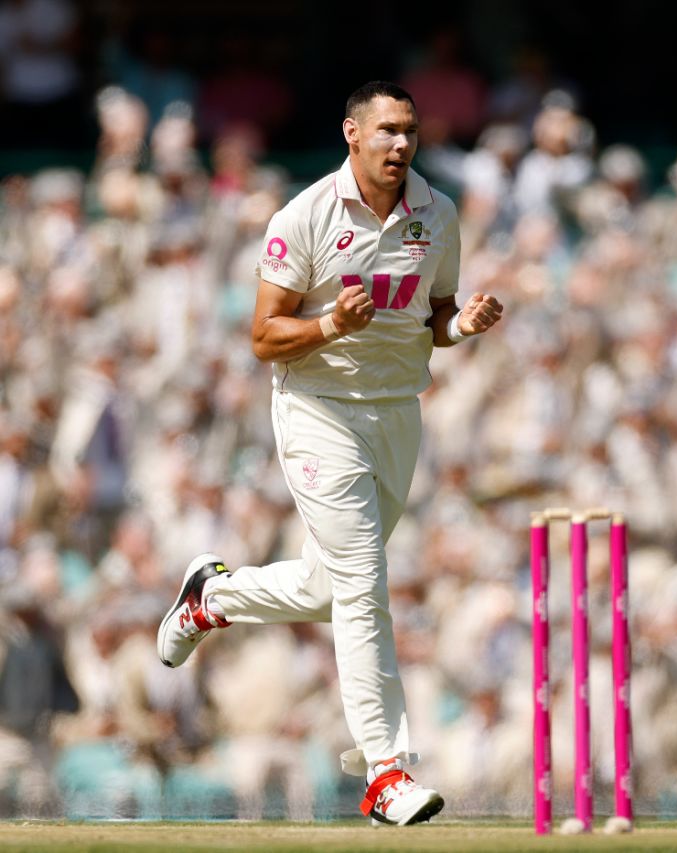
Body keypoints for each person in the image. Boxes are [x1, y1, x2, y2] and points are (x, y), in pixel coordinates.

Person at [155, 81, 504, 826]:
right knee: (364, 579)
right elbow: (262, 337)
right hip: (316, 410)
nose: (401, 144)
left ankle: (210, 598)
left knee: (329, 589)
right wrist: (328, 328)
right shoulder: (303, 215)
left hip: (397, 412)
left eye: (408, 131)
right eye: (386, 131)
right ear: (352, 133)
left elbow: (432, 318)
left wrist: (463, 326)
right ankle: (385, 771)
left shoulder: (437, 214)